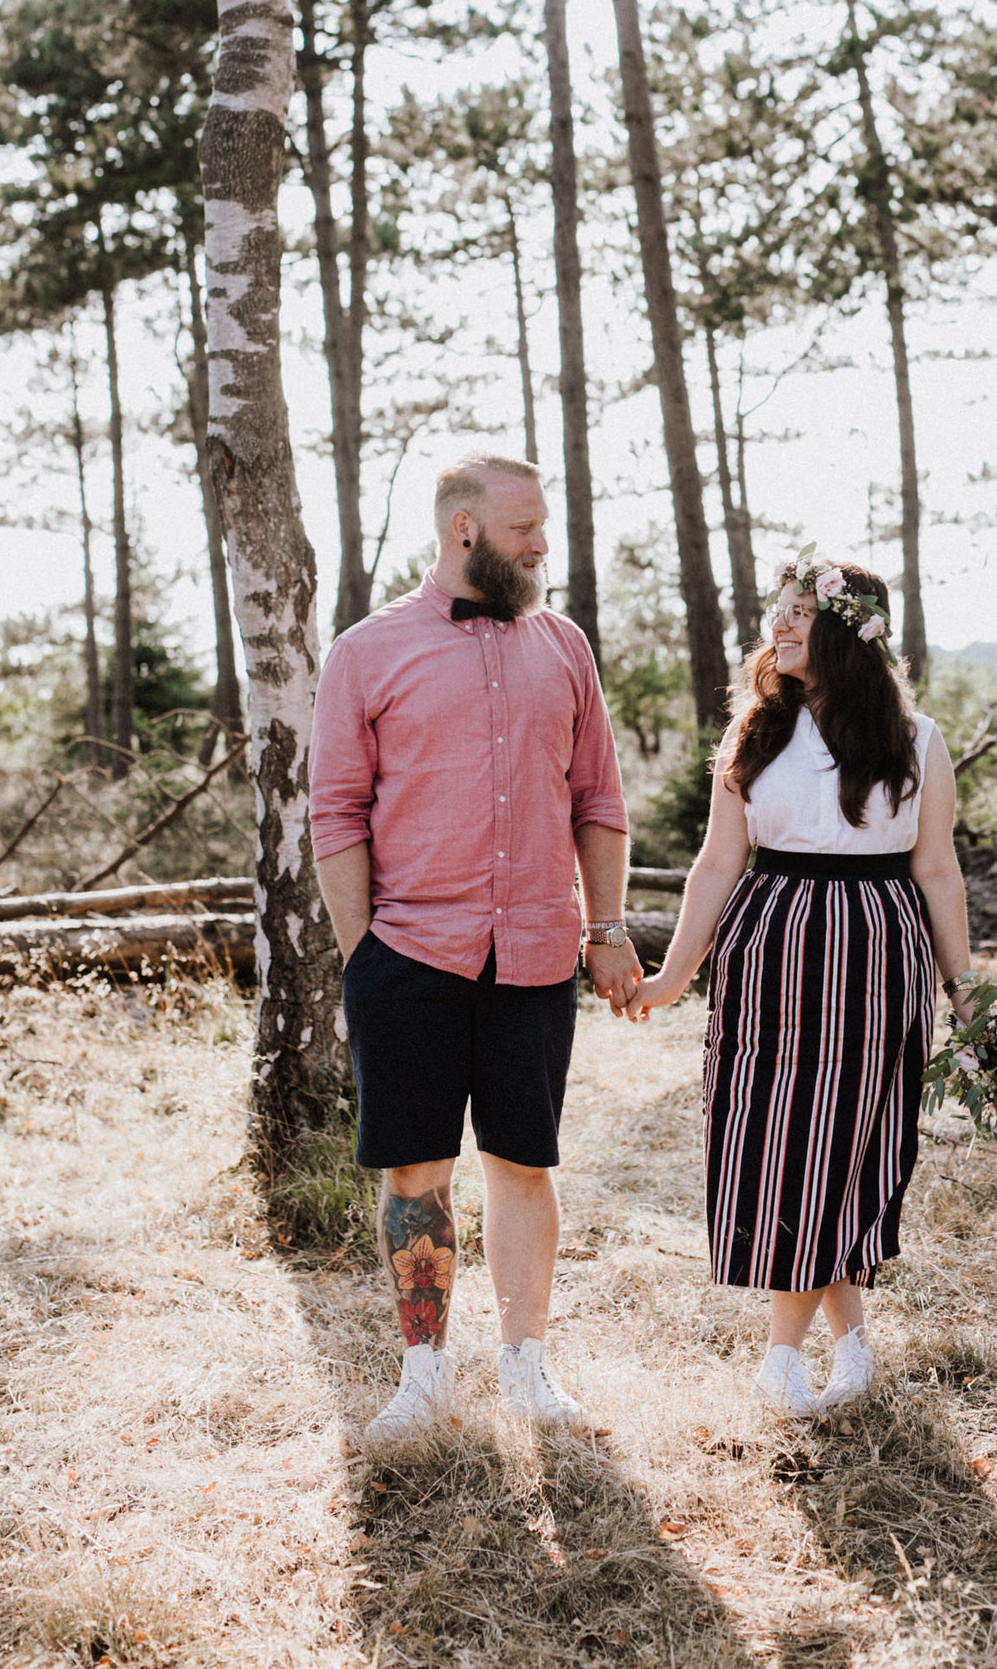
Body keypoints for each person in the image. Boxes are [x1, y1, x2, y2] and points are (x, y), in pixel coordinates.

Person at [309, 452, 644, 1445]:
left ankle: (527, 1368)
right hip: (408, 956)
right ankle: (423, 1375)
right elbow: (335, 810)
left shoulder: (565, 644)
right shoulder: (366, 652)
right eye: (525, 527)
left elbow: (599, 798)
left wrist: (607, 923)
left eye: (543, 526)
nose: (543, 544)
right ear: (463, 530)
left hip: (537, 952)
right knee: (415, 1171)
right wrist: (365, 952)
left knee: (523, 1163)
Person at [639, 554, 976, 1418]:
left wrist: (965, 992)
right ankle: (852, 1345)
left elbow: (937, 871)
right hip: (769, 948)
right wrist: (675, 972)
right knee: (774, 1137)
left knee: (839, 1143)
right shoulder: (754, 729)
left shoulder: (917, 739)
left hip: (874, 944)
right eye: (777, 614)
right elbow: (717, 862)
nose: (779, 628)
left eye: (799, 614)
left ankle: (781, 1356)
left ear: (849, 632)